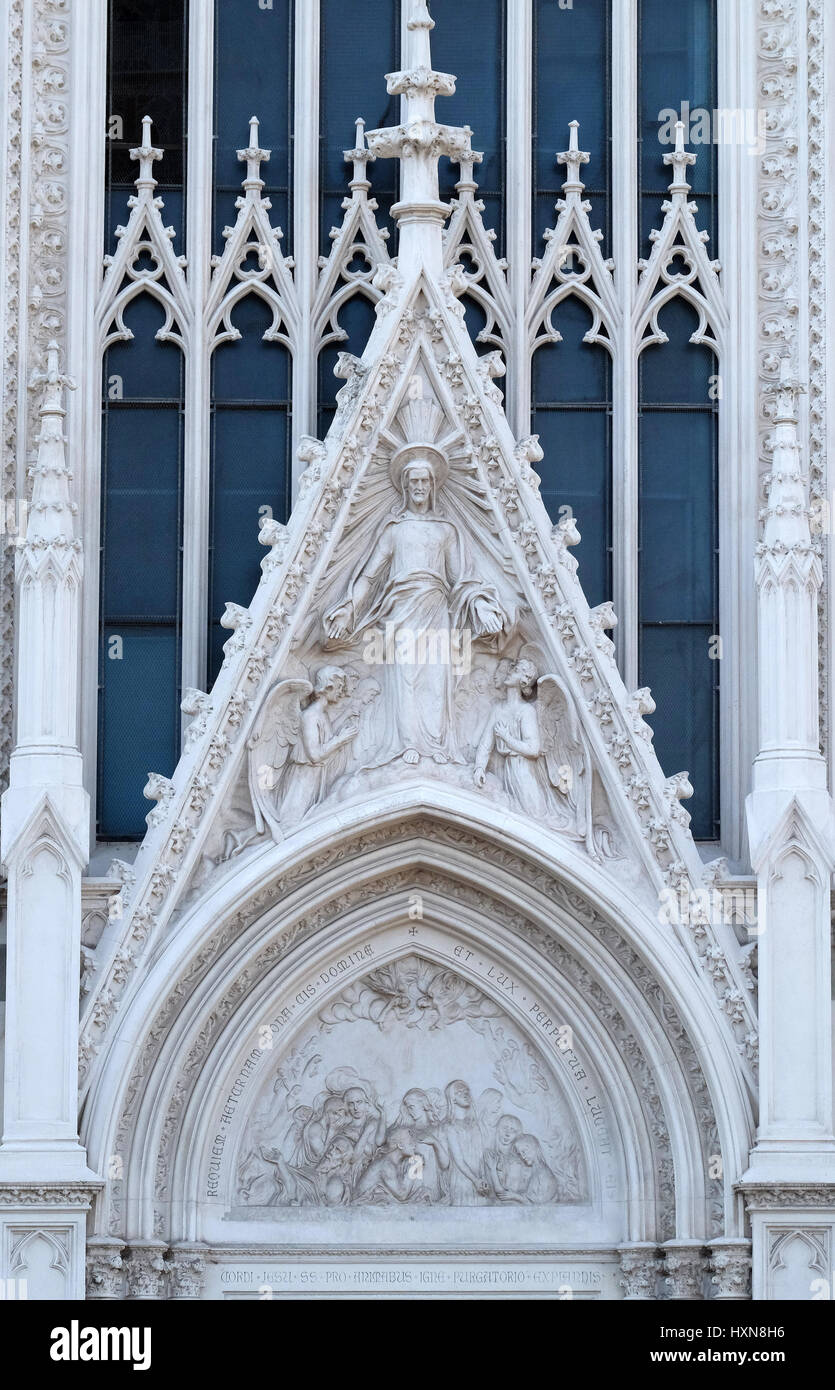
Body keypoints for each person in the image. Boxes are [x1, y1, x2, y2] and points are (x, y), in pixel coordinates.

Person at [323, 449, 510, 768]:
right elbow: (369, 574)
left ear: (433, 485)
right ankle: (408, 745)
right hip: (401, 609)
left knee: (437, 679)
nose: (420, 487)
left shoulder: (445, 531)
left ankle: (436, 746)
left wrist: (481, 607)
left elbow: (461, 579)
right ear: (405, 487)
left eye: (425, 481)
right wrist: (348, 609)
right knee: (405, 678)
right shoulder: (394, 530)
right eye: (414, 482)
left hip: (436, 607)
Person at [442, 1079, 490, 1204]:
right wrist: (475, 1180)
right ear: (452, 1099)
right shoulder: (450, 1127)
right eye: (459, 1092)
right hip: (462, 1180)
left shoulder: (476, 1125)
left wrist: (483, 1177)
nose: (465, 1094)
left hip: (479, 1179)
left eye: (466, 1091)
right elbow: (458, 1159)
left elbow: (481, 1156)